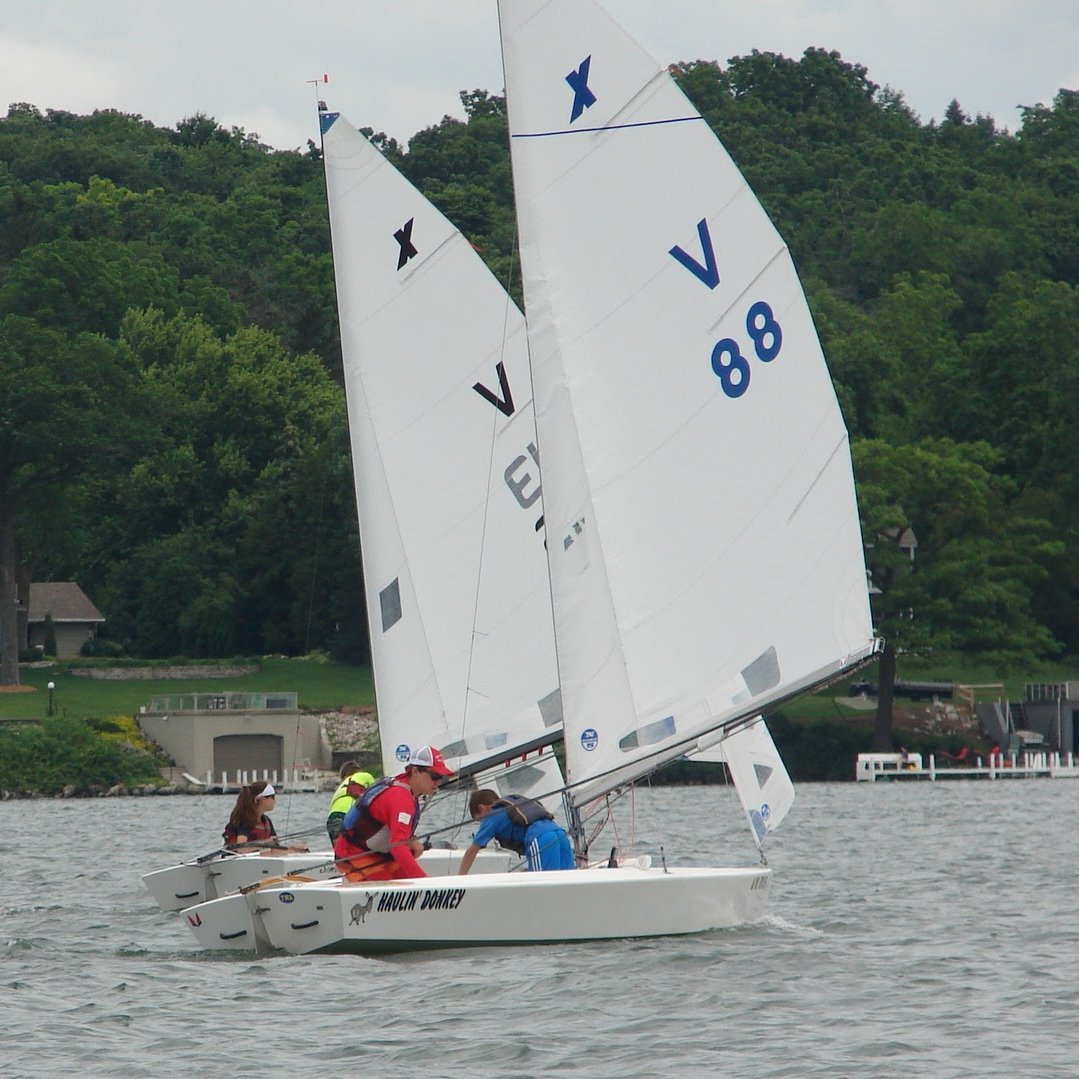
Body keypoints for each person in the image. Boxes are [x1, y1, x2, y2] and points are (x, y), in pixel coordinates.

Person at [332, 745, 455, 882]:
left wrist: (411, 839)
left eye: (441, 778)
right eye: (435, 776)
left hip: (379, 856)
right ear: (415, 771)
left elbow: (394, 830)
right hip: (354, 856)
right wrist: (426, 884)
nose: (438, 782)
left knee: (406, 881)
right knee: (392, 883)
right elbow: (398, 846)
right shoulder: (401, 798)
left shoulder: (406, 788)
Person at [458, 789, 575, 874]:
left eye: (479, 819)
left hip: (541, 839)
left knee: (541, 886)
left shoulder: (493, 815)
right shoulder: (512, 806)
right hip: (561, 836)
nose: (482, 823)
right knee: (564, 881)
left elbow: (472, 851)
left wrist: (459, 879)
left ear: (481, 808)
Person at [222, 782, 293, 851]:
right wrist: (266, 842)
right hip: (233, 859)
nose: (275, 800)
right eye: (272, 797)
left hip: (255, 858)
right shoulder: (245, 820)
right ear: (262, 799)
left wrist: (293, 850)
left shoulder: (266, 821)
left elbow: (275, 849)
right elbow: (241, 848)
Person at [325, 762, 376, 843]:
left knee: (340, 851)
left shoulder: (340, 788)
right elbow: (377, 795)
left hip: (333, 818)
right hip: (349, 816)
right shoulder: (366, 776)